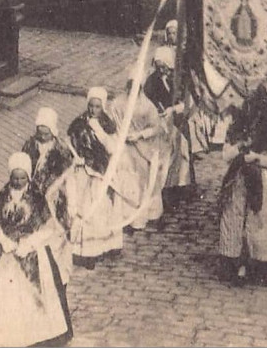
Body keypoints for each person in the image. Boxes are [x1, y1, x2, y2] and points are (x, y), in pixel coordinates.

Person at [0, 152, 73, 348]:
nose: (18, 181)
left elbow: (47, 227)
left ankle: (37, 335)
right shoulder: (3, 195)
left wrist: (29, 243)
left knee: (34, 295)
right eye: (15, 177)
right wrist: (2, 240)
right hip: (7, 253)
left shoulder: (36, 197)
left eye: (22, 177)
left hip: (31, 252)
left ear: (28, 176)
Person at [218, 83, 267, 285]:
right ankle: (234, 262)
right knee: (234, 218)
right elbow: (225, 154)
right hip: (237, 178)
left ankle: (260, 263)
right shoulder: (235, 128)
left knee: (260, 221)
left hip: (259, 181)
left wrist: (255, 157)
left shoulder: (266, 134)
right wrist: (239, 149)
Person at [67, 88, 123, 268]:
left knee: (101, 209)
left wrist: (97, 129)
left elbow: (112, 148)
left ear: (103, 107)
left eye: (97, 107)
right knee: (84, 209)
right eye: (91, 106)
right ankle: (86, 253)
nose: (93, 110)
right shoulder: (78, 124)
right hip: (84, 172)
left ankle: (105, 247)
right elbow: (71, 144)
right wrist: (75, 158)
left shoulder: (107, 124)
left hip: (101, 172)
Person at [112, 71, 164, 230]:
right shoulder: (117, 103)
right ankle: (127, 217)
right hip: (124, 147)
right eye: (130, 86)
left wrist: (140, 134)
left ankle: (147, 215)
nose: (132, 89)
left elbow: (156, 127)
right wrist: (121, 135)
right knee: (126, 180)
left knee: (144, 181)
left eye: (136, 86)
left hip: (142, 148)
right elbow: (113, 121)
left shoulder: (147, 106)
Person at [144, 46, 193, 211]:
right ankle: (163, 190)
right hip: (161, 123)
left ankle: (181, 187)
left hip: (178, 121)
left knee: (182, 153)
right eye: (158, 66)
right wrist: (157, 112)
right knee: (165, 156)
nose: (161, 69)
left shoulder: (180, 79)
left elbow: (189, 101)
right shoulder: (151, 81)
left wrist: (174, 109)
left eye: (163, 66)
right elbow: (148, 100)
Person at [22, 108, 73, 234]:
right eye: (40, 133)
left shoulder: (61, 149)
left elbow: (67, 173)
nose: (43, 137)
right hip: (34, 187)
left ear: (53, 132)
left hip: (53, 189)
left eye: (46, 134)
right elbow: (24, 163)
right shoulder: (30, 145)